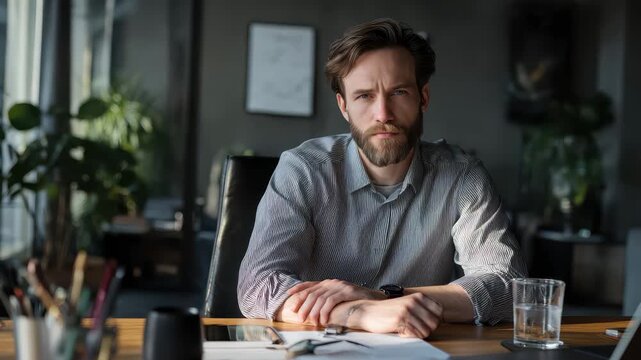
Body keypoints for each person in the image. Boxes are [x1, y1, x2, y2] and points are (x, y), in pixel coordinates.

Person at [237, 18, 527, 338]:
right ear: (344, 106)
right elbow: (258, 286)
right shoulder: (303, 170)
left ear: (423, 98)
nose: (383, 114)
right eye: (364, 96)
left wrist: (383, 297)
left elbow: (506, 286)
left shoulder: (462, 177)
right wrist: (357, 312)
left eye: (398, 92)